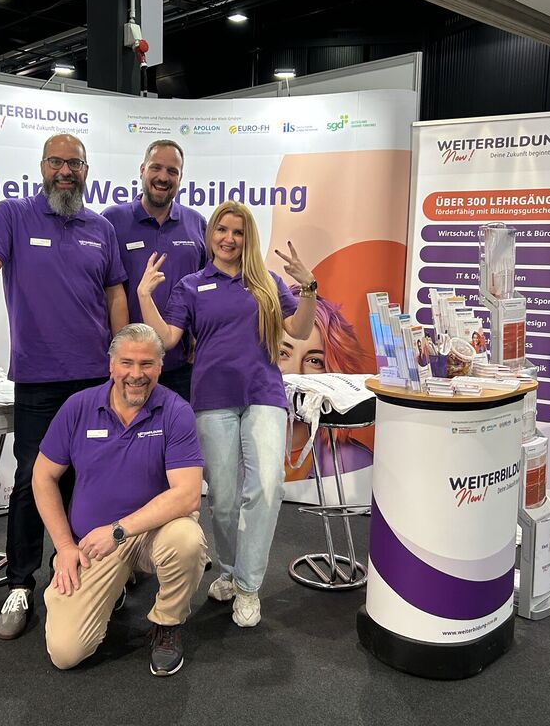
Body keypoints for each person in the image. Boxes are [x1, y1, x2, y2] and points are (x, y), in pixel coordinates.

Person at [0, 133, 128, 640]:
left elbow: (115, 296)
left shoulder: (100, 228)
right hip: (37, 379)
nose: (65, 171)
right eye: (56, 162)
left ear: (86, 170)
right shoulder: (13, 215)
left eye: (74, 163)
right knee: (33, 478)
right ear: (42, 167)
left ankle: (86, 572)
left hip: (95, 380)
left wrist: (122, 357)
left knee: (93, 479)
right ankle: (20, 583)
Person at [137, 200, 316, 627]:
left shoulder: (267, 282)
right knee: (223, 499)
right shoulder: (192, 285)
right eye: (222, 230)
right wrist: (144, 296)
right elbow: (167, 338)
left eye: (238, 232)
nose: (229, 239)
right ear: (210, 234)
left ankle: (249, 587)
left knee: (267, 488)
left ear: (247, 237)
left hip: (263, 395)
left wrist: (308, 288)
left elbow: (300, 329)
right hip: (212, 400)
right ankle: (232, 572)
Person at [33, 324, 207, 676]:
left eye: (147, 364)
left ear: (160, 366)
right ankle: (112, 588)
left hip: (151, 533)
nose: (136, 374)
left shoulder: (176, 411)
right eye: (127, 363)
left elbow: (188, 495)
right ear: (111, 365)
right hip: (93, 541)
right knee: (66, 653)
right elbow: (43, 477)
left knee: (187, 540)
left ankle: (167, 622)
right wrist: (64, 546)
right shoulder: (78, 407)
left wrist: (118, 530)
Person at [102, 140, 206, 402]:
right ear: (142, 170)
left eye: (172, 171)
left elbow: (207, 290)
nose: (163, 177)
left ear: (181, 177)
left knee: (179, 428)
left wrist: (199, 337)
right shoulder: (112, 221)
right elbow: (100, 289)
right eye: (156, 167)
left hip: (182, 366)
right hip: (130, 367)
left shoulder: (196, 224)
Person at [279, 287, 373, 483]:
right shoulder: (219, 452)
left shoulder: (359, 467)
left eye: (314, 361)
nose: (296, 372)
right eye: (282, 353)